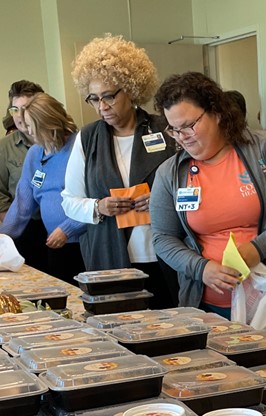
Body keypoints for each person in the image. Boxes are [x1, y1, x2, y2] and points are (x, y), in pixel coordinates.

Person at [150, 72, 266, 361]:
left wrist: (257, 249)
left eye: (188, 125)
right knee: (223, 384)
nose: (182, 137)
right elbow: (163, 238)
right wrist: (201, 268)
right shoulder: (170, 174)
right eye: (174, 130)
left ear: (215, 112)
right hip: (210, 305)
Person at [61, 34, 179, 308]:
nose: (102, 107)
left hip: (164, 253)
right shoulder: (88, 138)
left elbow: (192, 187)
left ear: (131, 88)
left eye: (109, 96)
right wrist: (98, 207)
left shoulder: (165, 129)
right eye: (94, 99)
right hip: (109, 254)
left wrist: (162, 200)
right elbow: (69, 200)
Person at [0, 93, 86, 284]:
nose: (28, 131)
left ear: (48, 124)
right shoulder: (34, 153)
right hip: (55, 244)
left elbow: (94, 201)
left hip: (82, 243)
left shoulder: (79, 147)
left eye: (31, 126)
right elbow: (22, 204)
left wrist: (68, 229)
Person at [0, 80, 45, 264]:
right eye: (14, 110)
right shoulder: (4, 148)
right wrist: (17, 226)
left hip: (64, 228)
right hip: (26, 229)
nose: (19, 116)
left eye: (25, 108)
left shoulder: (63, 142)